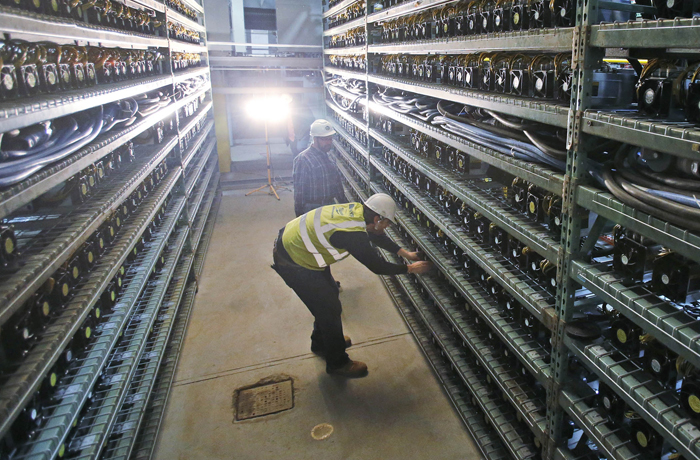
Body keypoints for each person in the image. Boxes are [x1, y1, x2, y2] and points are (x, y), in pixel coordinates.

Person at [271, 193, 433, 378]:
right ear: (377, 218)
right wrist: (411, 268)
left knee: (328, 296)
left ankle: (322, 342)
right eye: (387, 223)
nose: (387, 227)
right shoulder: (352, 233)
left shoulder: (357, 211)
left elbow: (375, 235)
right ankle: (338, 363)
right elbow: (377, 266)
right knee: (329, 308)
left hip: (298, 247)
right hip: (294, 261)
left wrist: (406, 254)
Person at [292, 119, 346, 217]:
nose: (328, 142)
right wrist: (299, 218)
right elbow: (300, 193)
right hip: (312, 209)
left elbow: (337, 185)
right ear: (315, 139)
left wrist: (345, 206)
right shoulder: (303, 159)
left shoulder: (329, 156)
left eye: (330, 138)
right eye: (324, 139)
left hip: (330, 206)